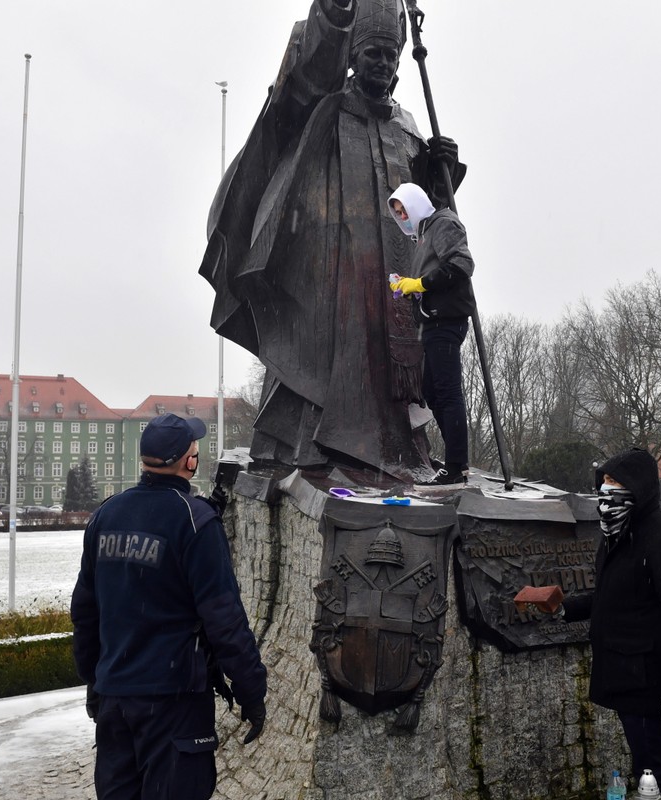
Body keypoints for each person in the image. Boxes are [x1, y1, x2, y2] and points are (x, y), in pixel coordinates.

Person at [198, 0, 462, 483]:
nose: (382, 64)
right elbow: (309, 66)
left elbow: (424, 211)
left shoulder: (405, 125)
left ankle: (397, 448)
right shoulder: (323, 103)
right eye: (372, 54)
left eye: (390, 55)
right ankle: (307, 445)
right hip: (326, 263)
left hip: (392, 270)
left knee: (389, 352)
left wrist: (440, 170)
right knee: (320, 348)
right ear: (353, 57)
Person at [71, 413, 267, 799]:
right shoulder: (195, 523)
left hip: (115, 700)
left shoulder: (106, 515)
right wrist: (251, 690)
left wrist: (96, 681)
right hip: (174, 703)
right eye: (195, 449)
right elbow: (224, 620)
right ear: (188, 461)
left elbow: (85, 613)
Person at [533, 448, 661, 800]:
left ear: (637, 487)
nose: (606, 490)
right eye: (604, 482)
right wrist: (565, 610)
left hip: (648, 681)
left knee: (656, 769)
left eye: (614, 482)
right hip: (623, 674)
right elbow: (611, 597)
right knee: (644, 768)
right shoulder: (617, 535)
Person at [387, 182, 475, 487]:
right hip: (431, 322)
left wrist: (420, 284)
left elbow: (462, 265)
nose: (402, 216)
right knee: (432, 391)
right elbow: (430, 279)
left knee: (447, 392)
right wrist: (408, 286)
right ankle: (455, 462)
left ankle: (456, 467)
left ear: (416, 203)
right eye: (397, 213)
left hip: (446, 321)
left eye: (403, 209)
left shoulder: (443, 223)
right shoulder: (421, 235)